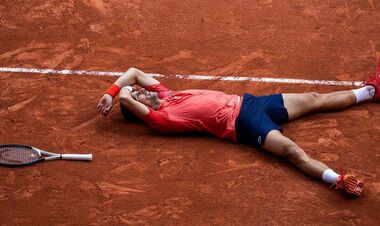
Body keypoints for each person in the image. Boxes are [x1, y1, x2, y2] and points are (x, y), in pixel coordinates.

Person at [97, 63, 380, 197]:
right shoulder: (162, 119)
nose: (140, 90)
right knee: (293, 152)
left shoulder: (166, 94)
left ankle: (371, 91)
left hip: (251, 103)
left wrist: (110, 91)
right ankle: (337, 179)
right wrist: (120, 96)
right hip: (244, 125)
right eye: (138, 94)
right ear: (139, 109)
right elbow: (125, 96)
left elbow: (132, 72)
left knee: (314, 99)